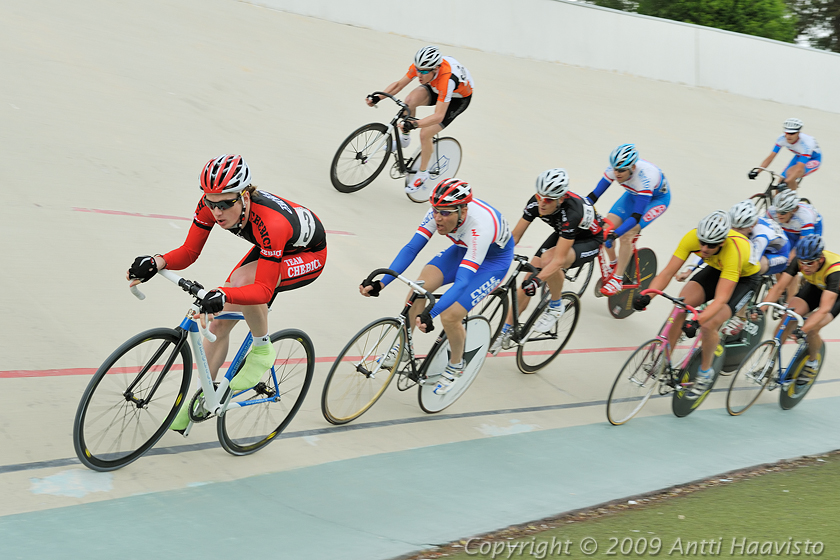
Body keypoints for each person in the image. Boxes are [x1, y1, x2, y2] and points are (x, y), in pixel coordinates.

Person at [127, 155, 327, 433]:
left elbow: (264, 289)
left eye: (225, 204)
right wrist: (157, 261)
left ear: (245, 195)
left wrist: (222, 292)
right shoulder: (212, 205)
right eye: (211, 202)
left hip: (307, 254)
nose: (217, 211)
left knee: (243, 281)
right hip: (271, 246)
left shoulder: (270, 221)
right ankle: (201, 399)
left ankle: (262, 350)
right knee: (218, 320)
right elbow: (189, 252)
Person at [360, 178, 512, 394]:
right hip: (463, 249)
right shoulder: (439, 212)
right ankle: (403, 346)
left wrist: (432, 312)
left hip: (492, 262)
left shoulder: (480, 228)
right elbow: (412, 248)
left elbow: (463, 281)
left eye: (445, 213)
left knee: (450, 315)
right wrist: (381, 282)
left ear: (463, 211)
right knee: (419, 288)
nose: (438, 218)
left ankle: (456, 365)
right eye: (435, 211)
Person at [633, 211, 760, 398]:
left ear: (722, 242)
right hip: (716, 269)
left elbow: (721, 299)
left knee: (709, 325)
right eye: (702, 243)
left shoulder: (734, 251)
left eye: (712, 245)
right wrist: (647, 296)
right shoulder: (692, 238)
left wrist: (698, 321)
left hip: (744, 279)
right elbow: (668, 272)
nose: (705, 248)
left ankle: (705, 372)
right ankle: (665, 360)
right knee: (681, 304)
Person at [490, 168, 604, 354]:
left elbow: (558, 260)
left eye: (549, 199)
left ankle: (556, 305)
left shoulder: (572, 212)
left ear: (560, 199)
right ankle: (505, 330)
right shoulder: (537, 202)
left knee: (549, 260)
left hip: (589, 239)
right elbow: (515, 237)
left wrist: (538, 281)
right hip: (564, 232)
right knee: (526, 281)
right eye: (540, 196)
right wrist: (492, 254)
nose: (542, 203)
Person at [366, 45, 474, 194]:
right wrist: (378, 97)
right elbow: (398, 84)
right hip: (435, 86)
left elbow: (438, 116)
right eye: (417, 70)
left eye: (423, 71)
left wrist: (414, 124)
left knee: (425, 133)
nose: (419, 74)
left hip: (458, 98)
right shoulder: (422, 67)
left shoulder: (447, 80)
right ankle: (404, 140)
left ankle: (422, 173)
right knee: (409, 100)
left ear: (435, 69)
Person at [585, 144, 670, 296]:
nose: (617, 173)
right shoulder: (614, 169)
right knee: (605, 228)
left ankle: (617, 279)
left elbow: (636, 216)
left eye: (622, 170)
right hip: (633, 195)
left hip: (655, 200)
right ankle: (614, 263)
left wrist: (616, 234)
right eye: (615, 169)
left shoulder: (645, 179)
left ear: (633, 167)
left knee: (627, 234)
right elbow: (593, 196)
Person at [761, 235, 838, 384]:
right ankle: (769, 363)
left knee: (812, 329)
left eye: (809, 263)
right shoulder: (801, 260)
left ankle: (812, 362)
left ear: (820, 260)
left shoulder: (835, 271)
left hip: (835, 295)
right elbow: (779, 287)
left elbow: (823, 309)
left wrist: (803, 330)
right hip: (815, 286)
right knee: (788, 317)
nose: (805, 267)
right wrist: (761, 308)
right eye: (802, 263)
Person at [749, 118, 821, 190]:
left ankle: (793, 199)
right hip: (799, 156)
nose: (789, 136)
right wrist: (758, 172)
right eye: (786, 133)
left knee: (790, 175)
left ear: (798, 133)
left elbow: (799, 169)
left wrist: (787, 182)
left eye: (792, 133)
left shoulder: (806, 144)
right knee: (780, 181)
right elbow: (771, 157)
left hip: (813, 158)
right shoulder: (782, 138)